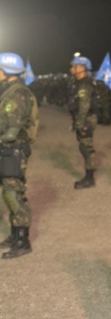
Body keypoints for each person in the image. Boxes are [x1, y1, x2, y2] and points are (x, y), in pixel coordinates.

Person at [0, 52, 38, 259]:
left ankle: (23, 241)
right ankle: (15, 235)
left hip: (13, 149)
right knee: (7, 192)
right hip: (7, 149)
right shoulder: (8, 91)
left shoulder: (17, 95)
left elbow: (11, 131)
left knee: (13, 193)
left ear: (6, 71)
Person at [68, 55, 98, 189]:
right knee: (84, 147)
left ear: (81, 68)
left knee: (87, 148)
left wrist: (79, 124)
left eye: (74, 66)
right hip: (83, 119)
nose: (71, 69)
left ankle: (89, 178)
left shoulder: (84, 85)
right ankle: (89, 174)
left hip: (85, 120)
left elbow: (84, 106)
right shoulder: (80, 83)